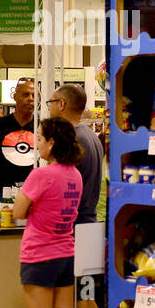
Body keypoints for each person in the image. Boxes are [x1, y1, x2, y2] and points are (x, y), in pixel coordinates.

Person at [10, 117, 84, 308]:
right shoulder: (75, 174)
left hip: (39, 256)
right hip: (67, 254)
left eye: (39, 139)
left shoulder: (41, 175)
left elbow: (18, 210)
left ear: (52, 143)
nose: (36, 143)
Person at [48, 84, 103, 226]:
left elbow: (61, 189)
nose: (49, 107)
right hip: (87, 221)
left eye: (51, 103)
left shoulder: (70, 140)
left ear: (61, 104)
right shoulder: (91, 136)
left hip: (70, 225)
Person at [0, 79, 37, 202]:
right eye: (26, 95)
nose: (31, 99)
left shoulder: (42, 127)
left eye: (34, 95)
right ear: (15, 97)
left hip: (32, 194)